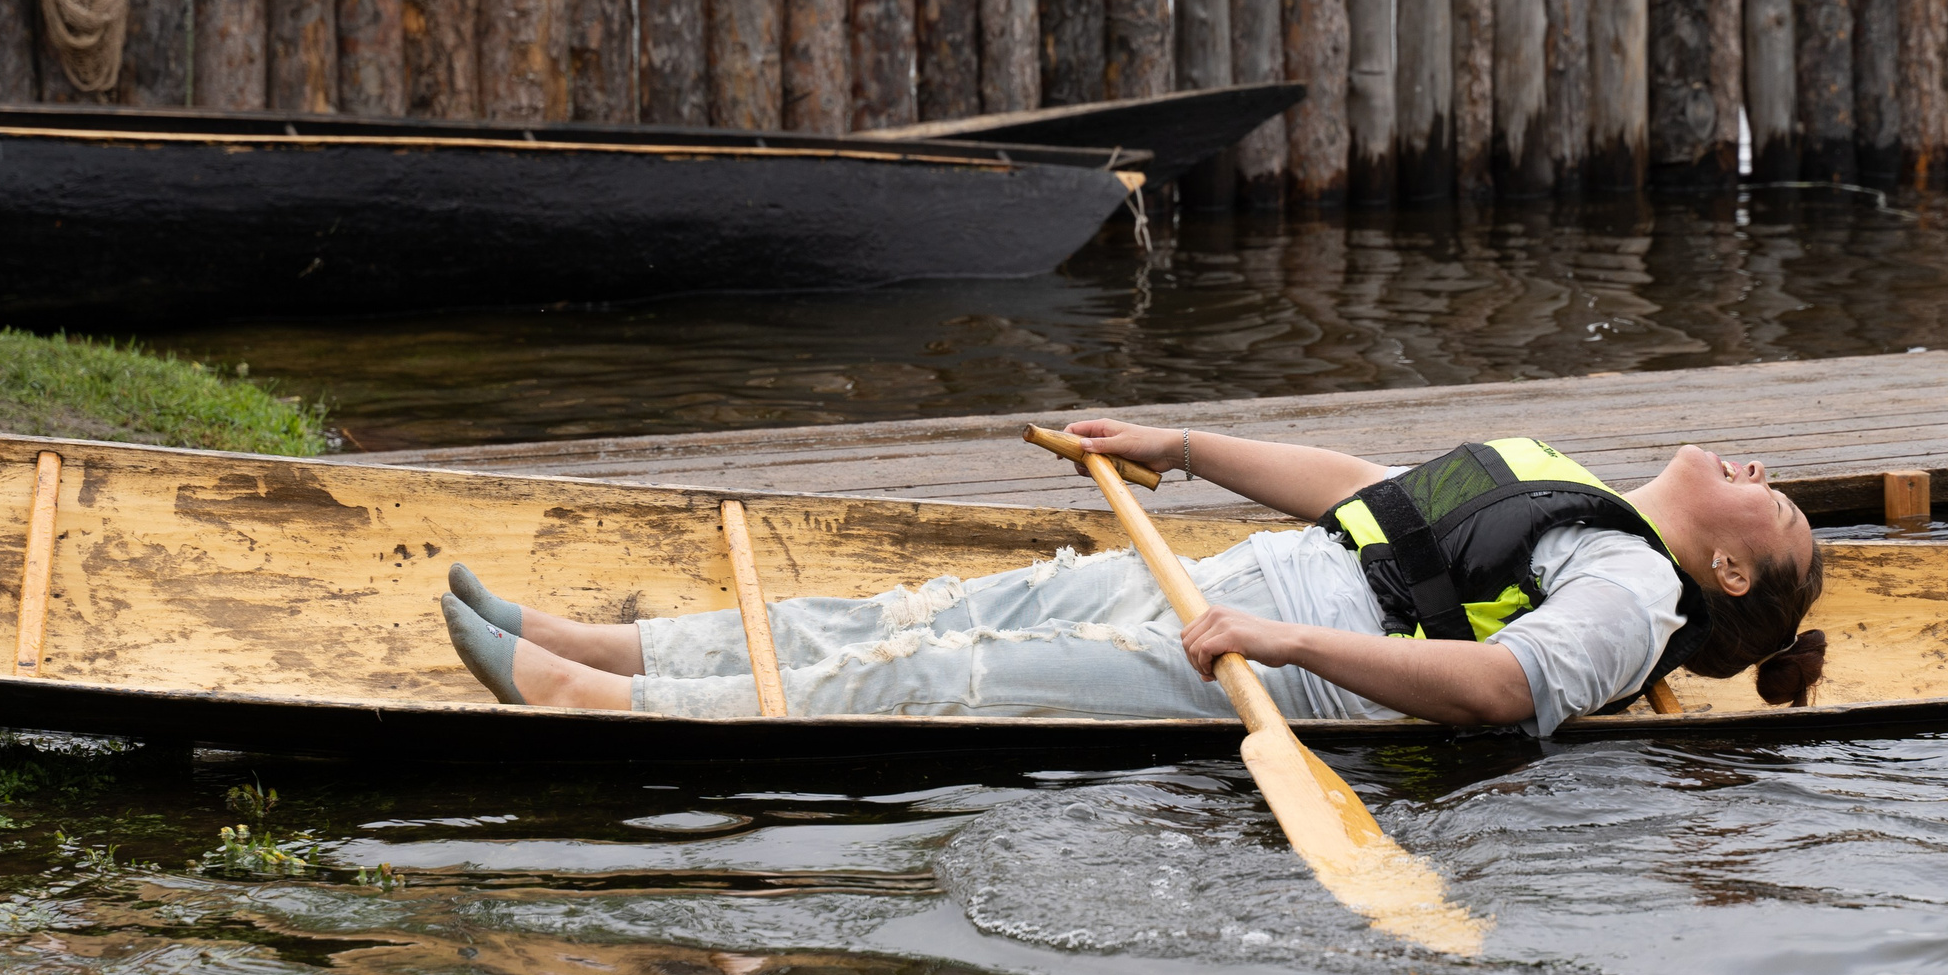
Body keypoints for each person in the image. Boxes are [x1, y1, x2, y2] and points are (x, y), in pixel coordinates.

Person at [437, 422, 1827, 733]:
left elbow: (1502, 684)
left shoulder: (1634, 592)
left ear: (1724, 563)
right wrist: (1177, 439)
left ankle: (600, 709)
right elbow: (1365, 495)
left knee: (947, 678)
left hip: (1276, 662)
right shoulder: (1564, 482)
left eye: (1776, 506)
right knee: (935, 608)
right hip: (1239, 578)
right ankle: (622, 649)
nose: (1759, 468)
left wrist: (1285, 638)